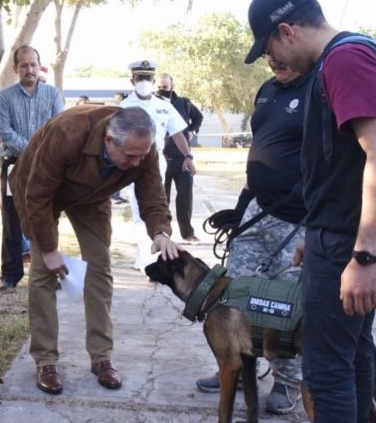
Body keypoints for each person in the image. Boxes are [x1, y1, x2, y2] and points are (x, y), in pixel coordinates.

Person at [244, 0, 376, 422]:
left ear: (287, 31)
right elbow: (342, 165)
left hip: (349, 242)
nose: (270, 60)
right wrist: (314, 237)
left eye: (268, 49)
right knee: (350, 358)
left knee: (326, 371)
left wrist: (363, 255)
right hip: (332, 236)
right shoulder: (342, 60)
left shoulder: (346, 60)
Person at [9, 105, 183, 395]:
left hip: (92, 196)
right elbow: (37, 195)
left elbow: (152, 193)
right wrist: (51, 250)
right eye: (129, 156)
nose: (137, 162)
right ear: (108, 140)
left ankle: (102, 358)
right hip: (40, 193)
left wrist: (161, 232)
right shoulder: (68, 132)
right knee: (43, 271)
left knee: (100, 267)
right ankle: (46, 361)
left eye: (142, 155)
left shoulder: (142, 149)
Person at [194, 57, 309, 414]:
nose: (273, 59)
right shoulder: (268, 90)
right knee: (237, 295)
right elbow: (262, 145)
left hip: (297, 218)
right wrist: (243, 206)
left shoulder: (318, 89)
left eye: (278, 51)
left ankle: (288, 383)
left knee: (284, 306)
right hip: (257, 210)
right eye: (268, 55)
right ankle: (238, 366)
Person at [0, 45, 64, 291]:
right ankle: (10, 275)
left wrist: (40, 156)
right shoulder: (5, 96)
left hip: (47, 168)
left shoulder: (53, 94)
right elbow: (4, 131)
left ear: (39, 66)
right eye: (23, 65)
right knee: (12, 221)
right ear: (16, 69)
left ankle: (49, 272)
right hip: (15, 166)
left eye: (33, 64)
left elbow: (58, 128)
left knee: (47, 218)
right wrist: (32, 152)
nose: (29, 69)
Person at [118, 60, 196, 268]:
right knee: (139, 211)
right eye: (139, 78)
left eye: (147, 78)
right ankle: (148, 259)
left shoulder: (163, 105)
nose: (143, 82)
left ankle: (142, 256)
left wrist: (188, 156)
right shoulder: (123, 108)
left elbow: (178, 132)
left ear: (153, 81)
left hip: (157, 163)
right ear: (132, 81)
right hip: (132, 163)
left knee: (157, 207)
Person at [156, 73, 203, 242]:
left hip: (182, 158)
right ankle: (163, 233)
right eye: (159, 88)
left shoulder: (185, 103)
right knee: (162, 199)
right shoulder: (154, 105)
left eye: (165, 87)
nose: (162, 91)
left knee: (185, 197)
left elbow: (198, 118)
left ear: (172, 86)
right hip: (160, 159)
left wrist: (192, 130)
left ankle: (188, 233)